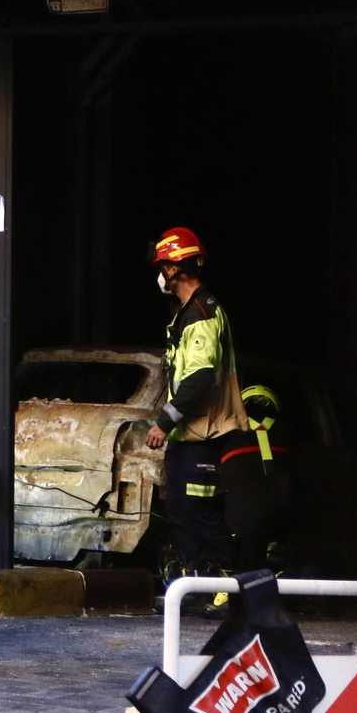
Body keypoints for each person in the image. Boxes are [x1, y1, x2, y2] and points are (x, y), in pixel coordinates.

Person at [144, 227, 246, 589]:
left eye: (162, 266)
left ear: (174, 269)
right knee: (182, 512)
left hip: (201, 433)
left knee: (200, 514)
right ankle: (195, 584)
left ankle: (236, 584)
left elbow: (200, 377)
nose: (160, 274)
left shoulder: (202, 312)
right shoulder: (187, 311)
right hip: (189, 434)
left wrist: (163, 423)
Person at [219, 385, 299, 574]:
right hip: (285, 517)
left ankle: (227, 586)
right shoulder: (288, 433)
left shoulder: (227, 434)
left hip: (242, 521)